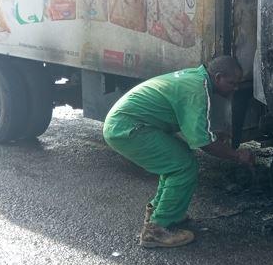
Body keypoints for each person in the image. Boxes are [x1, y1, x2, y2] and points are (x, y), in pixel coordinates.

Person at [103, 56, 256, 249]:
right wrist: (237, 155)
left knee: (177, 159)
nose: (235, 88)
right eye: (231, 83)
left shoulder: (197, 80)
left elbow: (193, 127)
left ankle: (161, 212)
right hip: (127, 128)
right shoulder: (198, 91)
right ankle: (155, 231)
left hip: (130, 124)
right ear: (218, 78)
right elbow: (204, 143)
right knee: (182, 165)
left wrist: (213, 135)